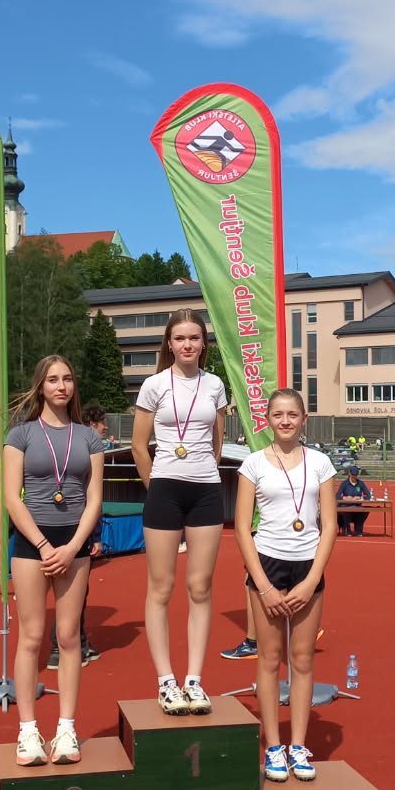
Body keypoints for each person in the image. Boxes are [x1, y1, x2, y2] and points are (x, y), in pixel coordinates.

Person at [4, 355, 106, 767]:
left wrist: (74, 545)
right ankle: (28, 730)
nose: (61, 386)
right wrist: (45, 547)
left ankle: (66, 727)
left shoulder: (89, 438)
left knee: (67, 637)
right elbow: (13, 498)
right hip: (34, 544)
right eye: (52, 380)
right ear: (41, 386)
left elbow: (94, 498)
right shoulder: (21, 434)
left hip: (73, 545)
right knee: (31, 637)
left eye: (67, 379)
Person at [235, 388, 337, 783]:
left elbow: (329, 526)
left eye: (292, 414)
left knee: (303, 660)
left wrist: (312, 581)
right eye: (278, 414)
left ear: (304, 418)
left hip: (307, 567)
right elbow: (242, 528)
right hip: (268, 565)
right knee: (269, 658)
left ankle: (298, 744)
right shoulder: (253, 464)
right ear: (268, 419)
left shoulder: (321, 463)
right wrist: (263, 586)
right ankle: (274, 746)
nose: (285, 421)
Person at [132, 307, 227, 716]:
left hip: (205, 490)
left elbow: (218, 441)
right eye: (180, 338)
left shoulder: (215, 385)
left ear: (203, 344)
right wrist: (157, 487)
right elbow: (139, 446)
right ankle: (166, 682)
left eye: (194, 338)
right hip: (165, 489)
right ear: (169, 344)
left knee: (200, 587)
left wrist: (202, 471)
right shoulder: (154, 385)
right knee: (161, 587)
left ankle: (194, 680)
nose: (187, 345)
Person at [49, 403, 109, 669]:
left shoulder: (74, 446)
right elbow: (90, 499)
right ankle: (58, 647)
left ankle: (79, 642)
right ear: (92, 424)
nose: (105, 427)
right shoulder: (83, 449)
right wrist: (95, 535)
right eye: (102, 423)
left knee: (77, 591)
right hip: (72, 526)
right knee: (72, 591)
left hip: (67, 524)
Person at [335, 464, 373, 536]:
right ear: (350, 473)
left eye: (355, 475)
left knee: (363, 512)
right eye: (353, 475)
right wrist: (345, 498)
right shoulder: (344, 484)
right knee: (346, 512)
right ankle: (347, 530)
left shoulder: (360, 483)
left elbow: (368, 495)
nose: (354, 477)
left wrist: (360, 498)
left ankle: (358, 530)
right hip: (346, 506)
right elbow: (337, 496)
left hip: (357, 506)